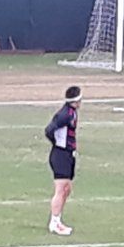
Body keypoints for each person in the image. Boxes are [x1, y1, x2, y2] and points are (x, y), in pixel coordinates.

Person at [44, 86, 81, 236]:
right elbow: (49, 130)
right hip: (61, 154)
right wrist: (57, 143)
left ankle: (58, 220)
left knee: (67, 189)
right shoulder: (65, 114)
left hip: (68, 154)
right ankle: (54, 222)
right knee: (60, 189)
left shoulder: (72, 113)